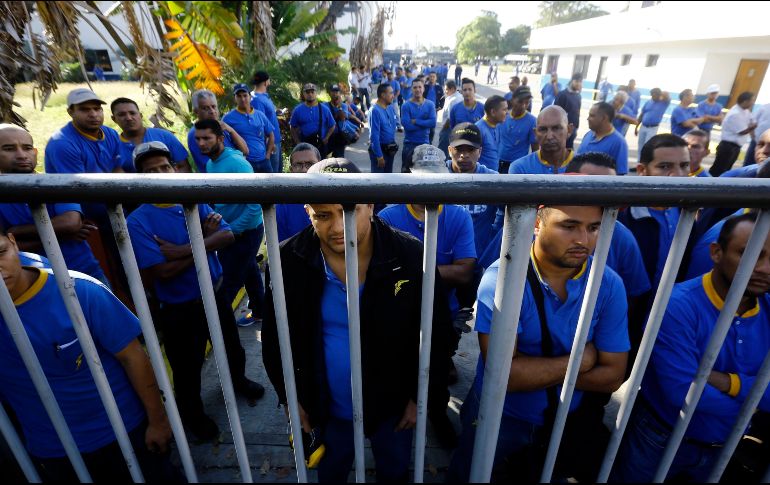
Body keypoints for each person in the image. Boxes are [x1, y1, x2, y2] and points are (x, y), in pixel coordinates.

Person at [261, 158, 455, 483]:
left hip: (394, 406)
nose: (339, 227)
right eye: (323, 215)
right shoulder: (287, 260)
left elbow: (438, 332)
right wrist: (291, 398)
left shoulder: (411, 255)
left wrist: (419, 396)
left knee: (394, 472)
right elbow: (273, 340)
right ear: (308, 212)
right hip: (326, 408)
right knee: (331, 472)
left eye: (349, 211)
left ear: (370, 206)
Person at [448, 202, 629, 482]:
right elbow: (506, 376)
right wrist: (581, 361)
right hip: (498, 414)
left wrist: (532, 372)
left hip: (564, 417)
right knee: (471, 473)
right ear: (536, 223)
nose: (583, 239)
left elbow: (613, 376)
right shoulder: (502, 279)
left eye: (594, 228)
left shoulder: (608, 284)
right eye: (569, 226)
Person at [0, 225, 181, 482]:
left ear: (13, 242)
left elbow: (133, 356)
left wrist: (158, 421)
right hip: (53, 450)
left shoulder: (77, 290)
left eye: (1, 252)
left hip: (123, 431)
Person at [612, 212, 770, 483]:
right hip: (659, 438)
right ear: (716, 252)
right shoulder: (678, 305)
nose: (765, 268)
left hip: (725, 446)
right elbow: (682, 392)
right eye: (751, 253)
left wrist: (728, 383)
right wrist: (755, 403)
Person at [126, 141, 264, 440]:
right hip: (179, 307)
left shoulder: (191, 202)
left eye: (165, 167)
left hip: (214, 294)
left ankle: (237, 381)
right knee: (187, 366)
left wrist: (180, 250)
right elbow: (162, 271)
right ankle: (193, 414)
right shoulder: (137, 221)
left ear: (174, 169)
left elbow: (227, 235)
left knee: (232, 346)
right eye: (152, 171)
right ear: (141, 177)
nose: (161, 174)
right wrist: (203, 239)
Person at [379, 145, 477, 449]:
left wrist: (408, 270)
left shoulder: (458, 216)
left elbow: (465, 272)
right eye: (423, 177)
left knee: (437, 368)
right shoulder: (387, 217)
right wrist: (436, 271)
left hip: (442, 311)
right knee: (395, 365)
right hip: (397, 311)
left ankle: (436, 413)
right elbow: (380, 273)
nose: (430, 186)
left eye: (437, 177)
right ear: (409, 176)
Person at [0, 124, 106, 284]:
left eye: (27, 148)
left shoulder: (55, 182)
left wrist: (16, 232)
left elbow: (71, 223)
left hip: (86, 273)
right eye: (9, 149)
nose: (21, 155)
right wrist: (64, 236)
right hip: (34, 282)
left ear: (35, 152)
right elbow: (4, 248)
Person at [194, 119, 265, 329]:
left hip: (246, 232)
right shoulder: (211, 163)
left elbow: (255, 206)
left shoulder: (237, 164)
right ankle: (261, 311)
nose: (201, 143)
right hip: (230, 230)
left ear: (220, 138)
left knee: (227, 284)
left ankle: (219, 332)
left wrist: (230, 231)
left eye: (207, 138)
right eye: (198, 139)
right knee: (250, 271)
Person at [618, 134, 691, 311]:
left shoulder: (687, 212)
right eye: (665, 166)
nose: (677, 175)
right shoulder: (624, 217)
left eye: (684, 165)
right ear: (642, 170)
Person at [110, 97, 190, 172]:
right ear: (114, 119)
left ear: (140, 115)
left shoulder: (164, 136)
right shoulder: (113, 147)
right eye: (121, 115)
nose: (129, 118)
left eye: (132, 113)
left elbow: (183, 166)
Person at [187, 89, 250, 173]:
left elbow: (245, 151)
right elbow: (213, 167)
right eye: (205, 108)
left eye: (213, 107)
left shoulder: (222, 126)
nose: (212, 111)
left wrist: (231, 130)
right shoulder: (197, 134)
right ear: (196, 112)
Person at [222, 83, 275, 173]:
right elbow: (224, 141)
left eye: (245, 95)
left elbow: (271, 134)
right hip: (245, 163)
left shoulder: (260, 115)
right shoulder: (228, 118)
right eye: (239, 96)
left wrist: (268, 155)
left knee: (271, 182)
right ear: (235, 98)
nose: (242, 99)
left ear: (250, 96)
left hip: (264, 161)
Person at [509, 105, 574, 175]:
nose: (549, 136)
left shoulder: (582, 166)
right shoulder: (520, 168)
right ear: (535, 133)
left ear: (569, 130)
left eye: (556, 128)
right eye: (543, 129)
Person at [276, 143, 319, 241]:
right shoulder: (282, 205)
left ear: (320, 165)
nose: (304, 170)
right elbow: (279, 245)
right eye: (298, 165)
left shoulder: (334, 196)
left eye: (310, 164)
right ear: (291, 170)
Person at [709, 91, 757, 177]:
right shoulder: (735, 113)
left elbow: (752, 121)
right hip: (728, 147)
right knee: (719, 170)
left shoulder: (745, 111)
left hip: (734, 147)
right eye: (752, 100)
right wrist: (755, 126)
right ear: (745, 101)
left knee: (726, 169)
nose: (753, 103)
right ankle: (710, 184)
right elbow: (742, 131)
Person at [577, 102, 629, 175]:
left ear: (604, 118)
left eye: (592, 116)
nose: (588, 119)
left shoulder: (619, 143)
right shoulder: (588, 135)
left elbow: (620, 174)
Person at [499, 86, 539, 174]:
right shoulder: (503, 115)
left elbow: (535, 149)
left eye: (527, 102)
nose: (524, 106)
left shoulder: (532, 121)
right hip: (498, 163)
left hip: (517, 167)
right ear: (513, 100)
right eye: (520, 102)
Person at [400, 77, 436, 173]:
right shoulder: (406, 106)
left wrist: (416, 121)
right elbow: (407, 126)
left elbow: (433, 123)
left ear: (423, 88)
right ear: (411, 89)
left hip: (425, 145)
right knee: (406, 175)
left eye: (420, 87)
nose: (417, 89)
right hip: (409, 145)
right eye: (415, 87)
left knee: (424, 175)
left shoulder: (430, 105)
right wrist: (425, 123)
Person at [290, 83, 336, 157]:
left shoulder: (324, 109)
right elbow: (292, 127)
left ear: (316, 93)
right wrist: (298, 142)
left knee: (321, 163)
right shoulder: (298, 110)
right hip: (305, 144)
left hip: (320, 144)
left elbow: (332, 125)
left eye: (312, 92)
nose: (310, 94)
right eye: (307, 92)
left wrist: (326, 138)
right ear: (303, 94)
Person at [251, 71, 284, 173]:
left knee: (279, 172)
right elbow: (259, 123)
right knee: (273, 176)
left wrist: (275, 112)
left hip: (275, 140)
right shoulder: (256, 99)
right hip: (270, 143)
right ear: (266, 82)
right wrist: (269, 145)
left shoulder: (262, 97)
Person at [325, 84, 363, 159]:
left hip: (339, 136)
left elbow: (343, 117)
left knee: (339, 159)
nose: (335, 94)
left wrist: (339, 107)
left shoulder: (344, 106)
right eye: (333, 92)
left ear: (339, 93)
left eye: (337, 92)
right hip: (328, 136)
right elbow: (328, 120)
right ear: (329, 93)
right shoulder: (325, 106)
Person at [368, 83, 399, 174]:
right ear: (383, 95)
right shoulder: (374, 111)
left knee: (388, 177)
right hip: (380, 151)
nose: (393, 96)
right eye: (391, 93)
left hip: (390, 149)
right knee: (378, 179)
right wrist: (379, 156)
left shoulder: (390, 107)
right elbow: (374, 136)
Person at [635, 88, 671, 153]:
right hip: (643, 126)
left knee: (648, 146)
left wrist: (660, 93)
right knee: (640, 146)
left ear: (659, 95)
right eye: (652, 95)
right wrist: (636, 127)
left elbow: (667, 95)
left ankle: (646, 159)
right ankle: (639, 159)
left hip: (652, 128)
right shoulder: (648, 102)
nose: (653, 97)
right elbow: (642, 114)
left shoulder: (664, 103)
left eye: (654, 95)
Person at [554, 73, 583, 149]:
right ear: (572, 81)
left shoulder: (578, 96)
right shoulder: (562, 94)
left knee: (569, 151)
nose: (578, 84)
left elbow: (577, 111)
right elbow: (555, 112)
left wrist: (576, 127)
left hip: (573, 129)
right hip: (563, 130)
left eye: (580, 82)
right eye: (577, 81)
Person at [437, 80, 463, 158]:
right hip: (455, 129)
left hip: (448, 129)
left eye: (446, 89)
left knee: (443, 152)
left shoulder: (453, 100)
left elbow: (450, 118)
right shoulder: (457, 96)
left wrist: (443, 130)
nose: (445, 91)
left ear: (452, 89)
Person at [745, 102, 770, 166]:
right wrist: (753, 138)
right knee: (749, 165)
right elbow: (751, 122)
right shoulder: (764, 107)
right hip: (757, 142)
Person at [424, 72, 445, 144]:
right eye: (431, 76)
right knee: (424, 126)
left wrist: (440, 107)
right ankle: (424, 142)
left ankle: (430, 142)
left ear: (436, 78)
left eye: (433, 76)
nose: (432, 78)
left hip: (434, 110)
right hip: (424, 110)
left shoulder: (439, 88)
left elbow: (442, 98)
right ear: (429, 77)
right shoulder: (424, 87)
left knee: (432, 129)